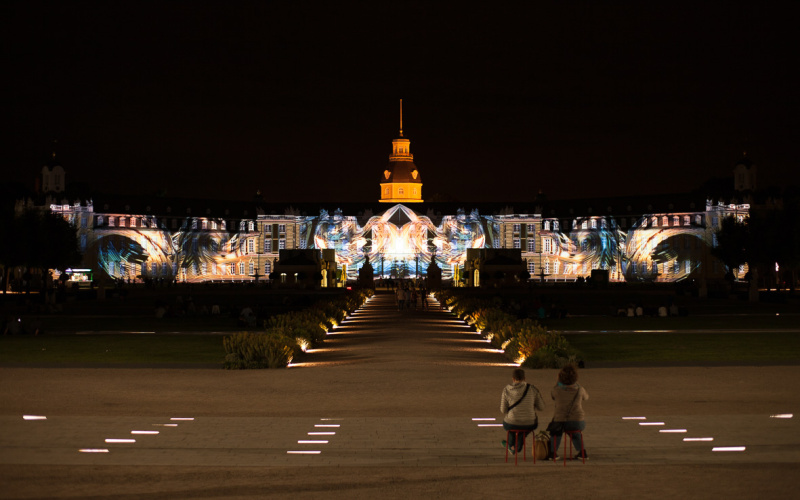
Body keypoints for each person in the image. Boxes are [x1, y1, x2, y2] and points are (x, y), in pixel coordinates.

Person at [500, 368, 545, 455]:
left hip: (512, 422)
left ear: (513, 379)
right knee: (524, 430)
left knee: (509, 426)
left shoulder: (506, 390)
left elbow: (503, 410)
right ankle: (518, 443)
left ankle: (511, 446)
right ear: (524, 378)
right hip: (530, 423)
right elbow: (541, 407)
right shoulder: (533, 389)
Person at [550, 364, 589, 460]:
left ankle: (553, 453)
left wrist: (558, 383)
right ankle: (582, 452)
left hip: (560, 420)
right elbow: (586, 397)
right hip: (577, 420)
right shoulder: (580, 389)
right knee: (575, 433)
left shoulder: (556, 390)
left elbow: (553, 397)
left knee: (556, 432)